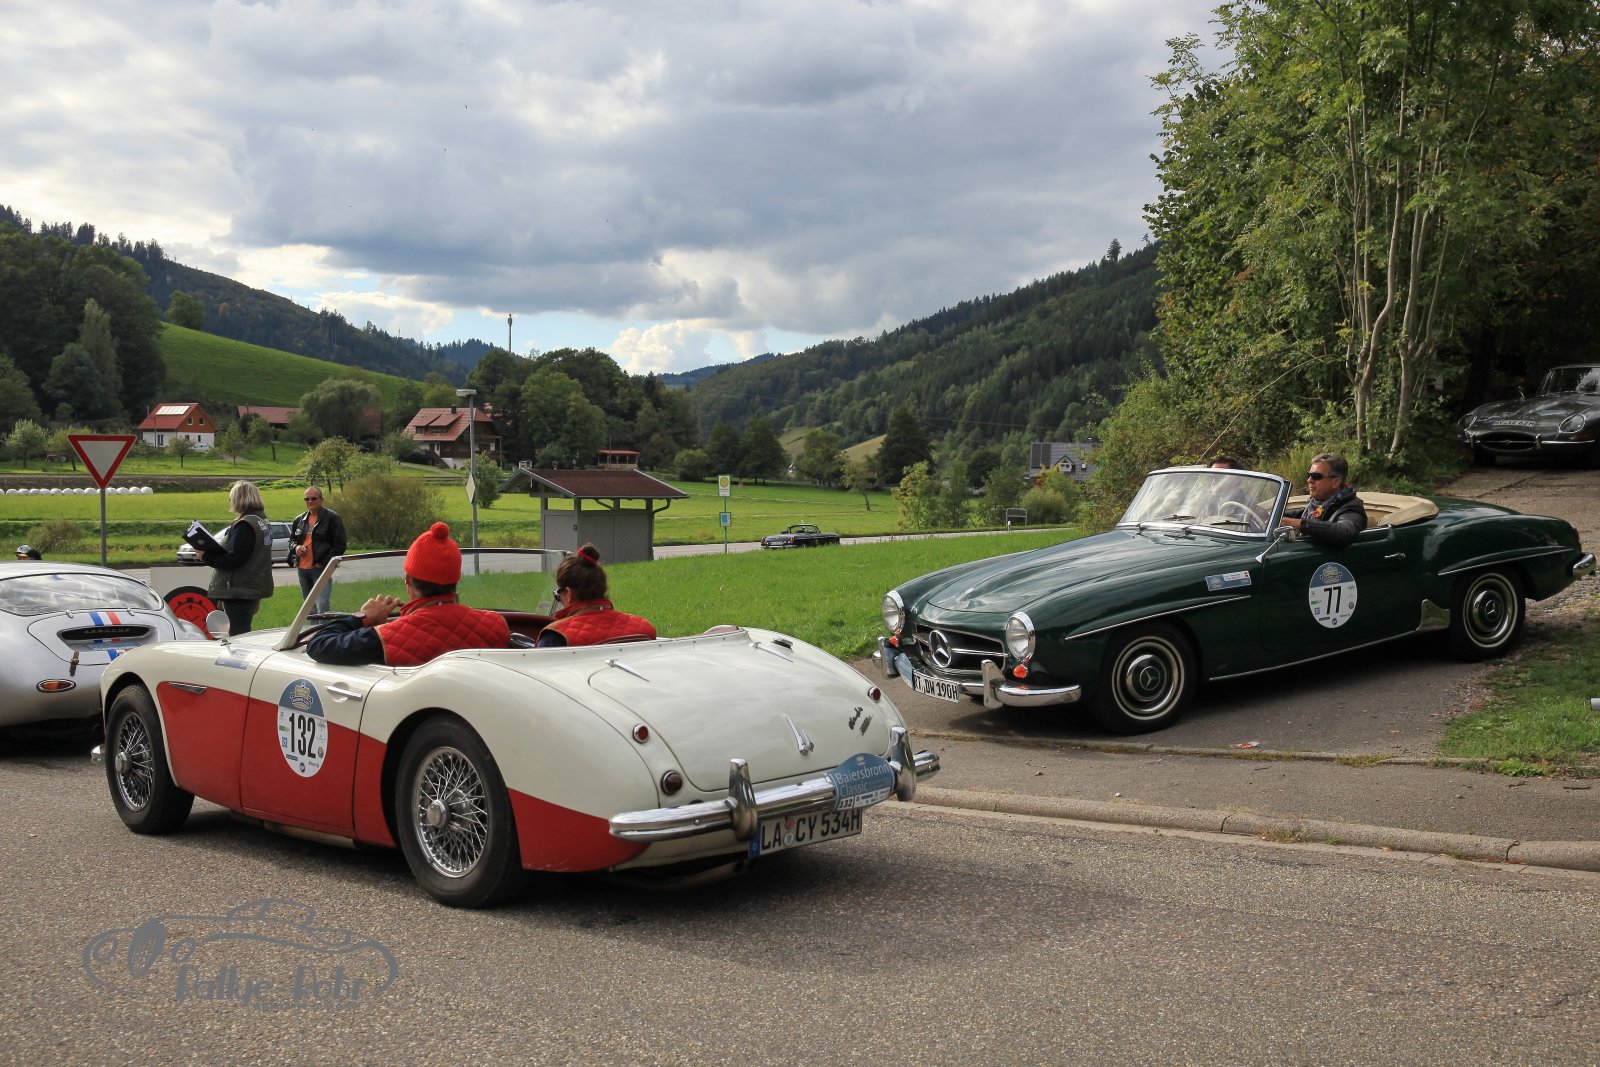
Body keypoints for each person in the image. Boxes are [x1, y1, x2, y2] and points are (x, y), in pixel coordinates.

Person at [306, 522, 509, 666]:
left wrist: (362, 617)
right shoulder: (496, 625)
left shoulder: (389, 636)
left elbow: (318, 645)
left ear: (408, 582)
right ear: (456, 581)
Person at [537, 544, 656, 647]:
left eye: (558, 595)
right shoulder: (644, 628)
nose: (560, 600)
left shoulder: (556, 636)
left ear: (568, 594)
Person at [202, 480, 275, 635]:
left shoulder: (245, 525)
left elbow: (234, 559)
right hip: (251, 586)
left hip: (239, 590)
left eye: (231, 497)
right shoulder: (261, 520)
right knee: (243, 631)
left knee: (238, 634)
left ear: (239, 499)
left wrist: (206, 556)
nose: (230, 501)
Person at [1280, 452, 1367, 547]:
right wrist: (1272, 515)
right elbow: (1298, 515)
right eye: (1309, 475)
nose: (1309, 480)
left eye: (1316, 476)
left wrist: (1302, 524)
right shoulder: (1319, 505)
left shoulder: (1351, 508)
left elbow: (1345, 532)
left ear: (1335, 482)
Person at [288, 486, 347, 615]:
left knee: (322, 605)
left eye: (313, 498)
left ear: (321, 499)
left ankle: (324, 628)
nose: (310, 501)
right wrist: (296, 547)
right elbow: (292, 541)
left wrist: (323, 563)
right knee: (308, 608)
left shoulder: (332, 518)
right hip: (302, 569)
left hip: (320, 569)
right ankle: (313, 629)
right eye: (306, 499)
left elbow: (340, 545)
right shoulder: (299, 520)